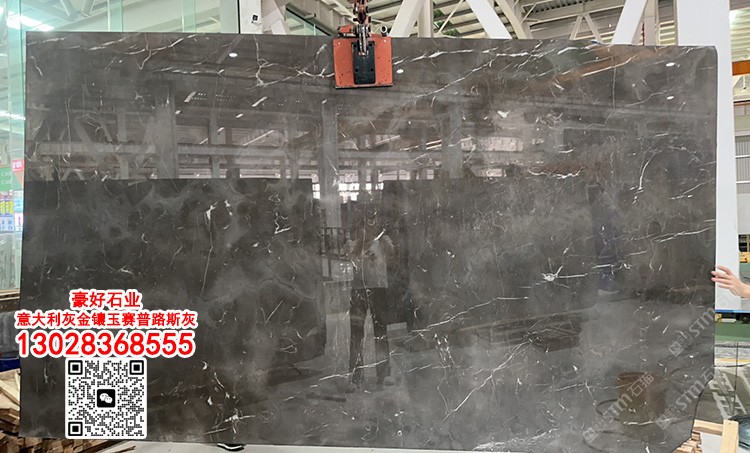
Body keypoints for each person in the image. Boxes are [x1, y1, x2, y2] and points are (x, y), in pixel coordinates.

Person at [345, 211, 395, 389]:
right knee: (356, 333)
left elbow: (392, 255)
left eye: (371, 224)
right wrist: (361, 241)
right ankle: (355, 378)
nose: (367, 228)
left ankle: (383, 374)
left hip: (379, 289)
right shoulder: (352, 245)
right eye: (363, 225)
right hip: (358, 290)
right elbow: (352, 259)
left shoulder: (382, 242)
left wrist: (382, 239)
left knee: (380, 332)